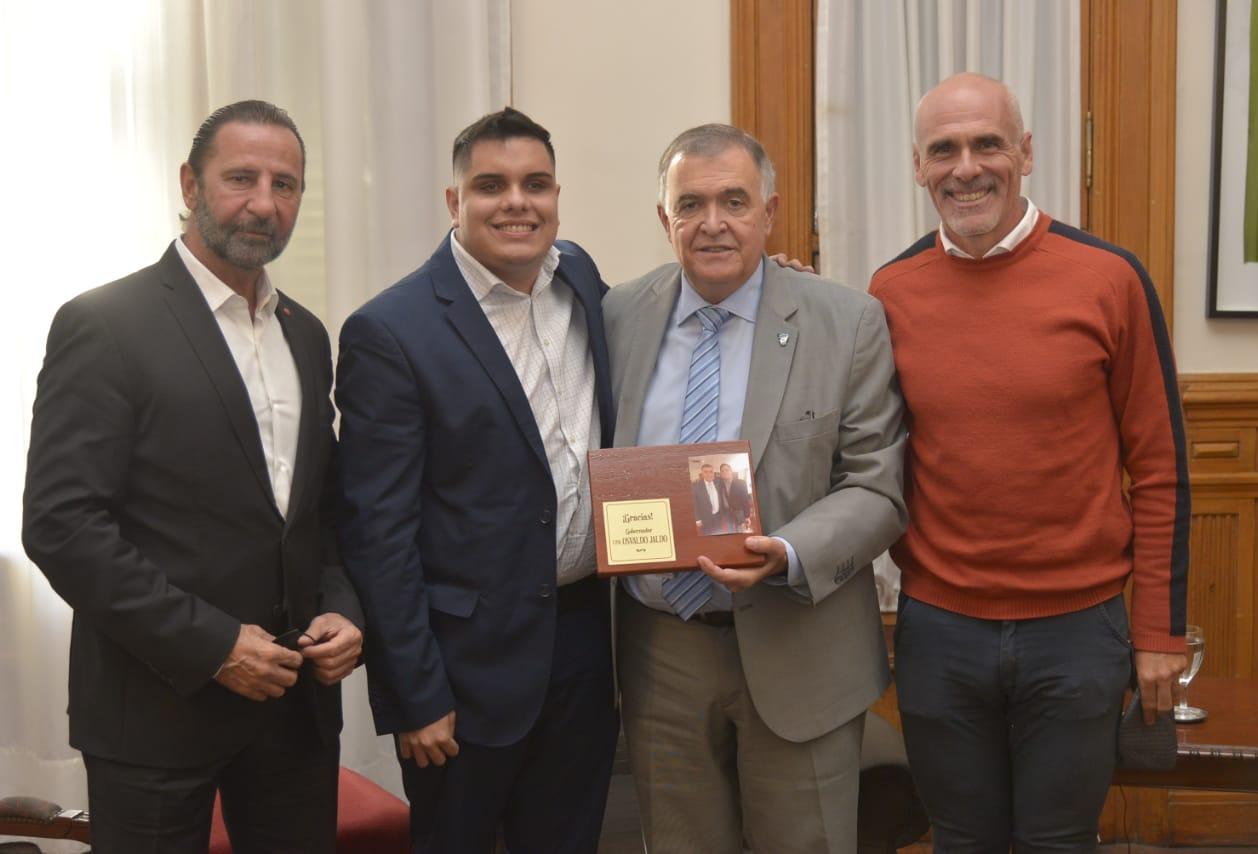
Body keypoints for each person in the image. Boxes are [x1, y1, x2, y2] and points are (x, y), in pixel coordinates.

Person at [22, 100, 364, 853]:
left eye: (286, 184)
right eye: (241, 178)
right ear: (189, 183)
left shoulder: (306, 334)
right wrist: (214, 647)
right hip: (155, 710)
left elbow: (320, 510)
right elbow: (61, 525)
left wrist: (344, 607)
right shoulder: (105, 323)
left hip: (295, 709)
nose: (264, 203)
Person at [869, 72, 1189, 851]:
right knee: (960, 839)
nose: (966, 167)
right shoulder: (889, 291)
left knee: (1059, 841)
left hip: (1078, 633)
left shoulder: (1110, 278)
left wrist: (1159, 632)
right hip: (940, 631)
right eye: (944, 149)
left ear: (1027, 153)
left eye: (988, 144)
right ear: (918, 165)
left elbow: (1160, 468)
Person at [604, 123, 908, 853]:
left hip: (798, 644)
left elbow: (879, 486)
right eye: (692, 203)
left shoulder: (846, 321)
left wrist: (788, 551)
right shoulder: (615, 316)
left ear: (770, 213)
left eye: (734, 201)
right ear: (664, 218)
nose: (713, 223)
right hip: (661, 653)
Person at [335, 107, 617, 853]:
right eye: (491, 185)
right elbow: (377, 532)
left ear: (557, 195)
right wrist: (413, 696)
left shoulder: (581, 280)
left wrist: (772, 277)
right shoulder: (390, 331)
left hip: (586, 644)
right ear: (455, 201)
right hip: (463, 675)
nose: (516, 202)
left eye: (536, 184)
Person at [692, 462, 731, 534]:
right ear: (702, 473)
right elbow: (695, 504)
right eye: (706, 472)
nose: (709, 474)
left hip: (718, 516)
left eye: (711, 471)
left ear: (714, 472)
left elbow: (727, 479)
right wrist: (697, 519)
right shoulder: (696, 486)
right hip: (706, 518)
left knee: (719, 533)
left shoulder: (718, 481)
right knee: (708, 535)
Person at [719, 462, 752, 531]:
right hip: (727, 513)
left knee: (741, 531)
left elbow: (745, 500)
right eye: (722, 471)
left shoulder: (741, 483)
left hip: (739, 512)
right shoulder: (720, 484)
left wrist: (747, 516)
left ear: (731, 471)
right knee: (730, 530)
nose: (725, 472)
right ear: (721, 474)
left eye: (727, 470)